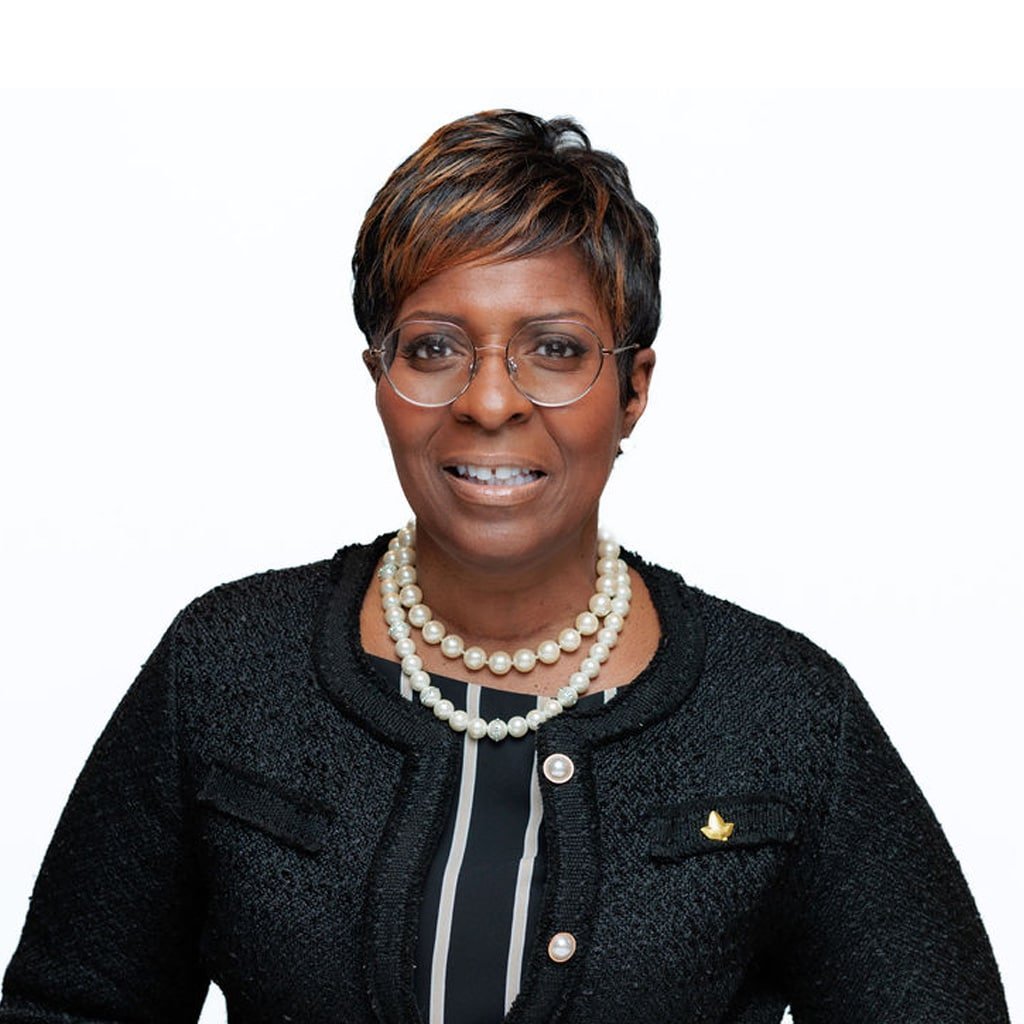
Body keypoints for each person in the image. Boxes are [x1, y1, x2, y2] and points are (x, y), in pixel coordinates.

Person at [0, 109, 1009, 1023]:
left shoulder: (784, 717)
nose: (489, 402)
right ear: (378, 377)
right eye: (434, 348)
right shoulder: (226, 667)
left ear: (633, 388)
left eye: (555, 350)